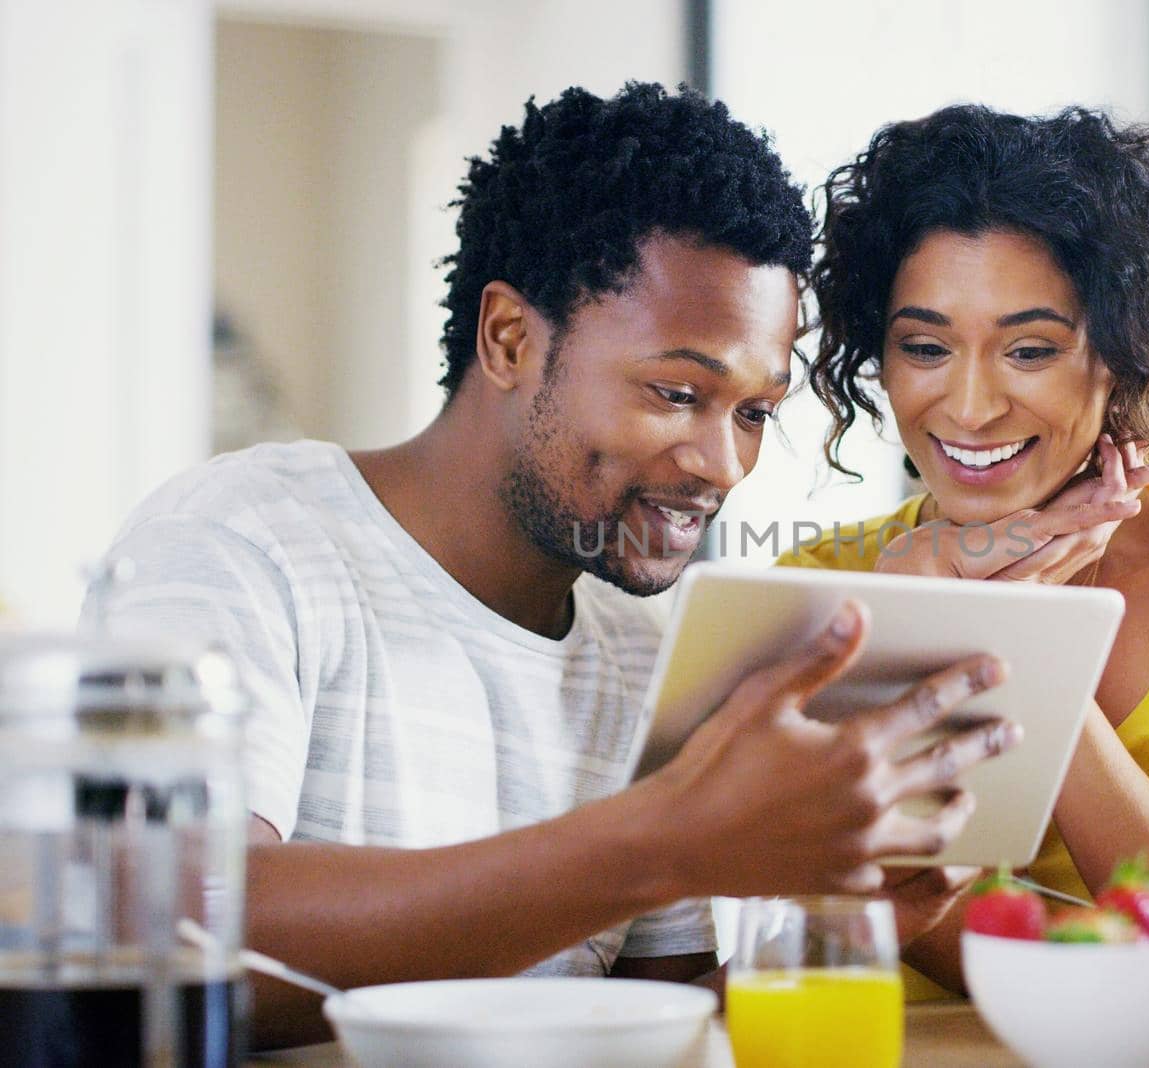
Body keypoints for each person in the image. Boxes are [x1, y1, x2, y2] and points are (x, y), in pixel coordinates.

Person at [82, 84, 1019, 1047]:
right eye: (676, 391)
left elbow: (661, 1013)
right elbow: (170, 926)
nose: (724, 463)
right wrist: (664, 841)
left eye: (753, 412)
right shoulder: (245, 540)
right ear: (509, 339)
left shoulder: (640, 656)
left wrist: (860, 926)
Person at [779, 104, 1149, 996]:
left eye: (1031, 349)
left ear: (1125, 354)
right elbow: (863, 911)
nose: (969, 407)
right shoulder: (824, 594)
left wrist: (1022, 641)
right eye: (926, 346)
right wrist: (917, 620)